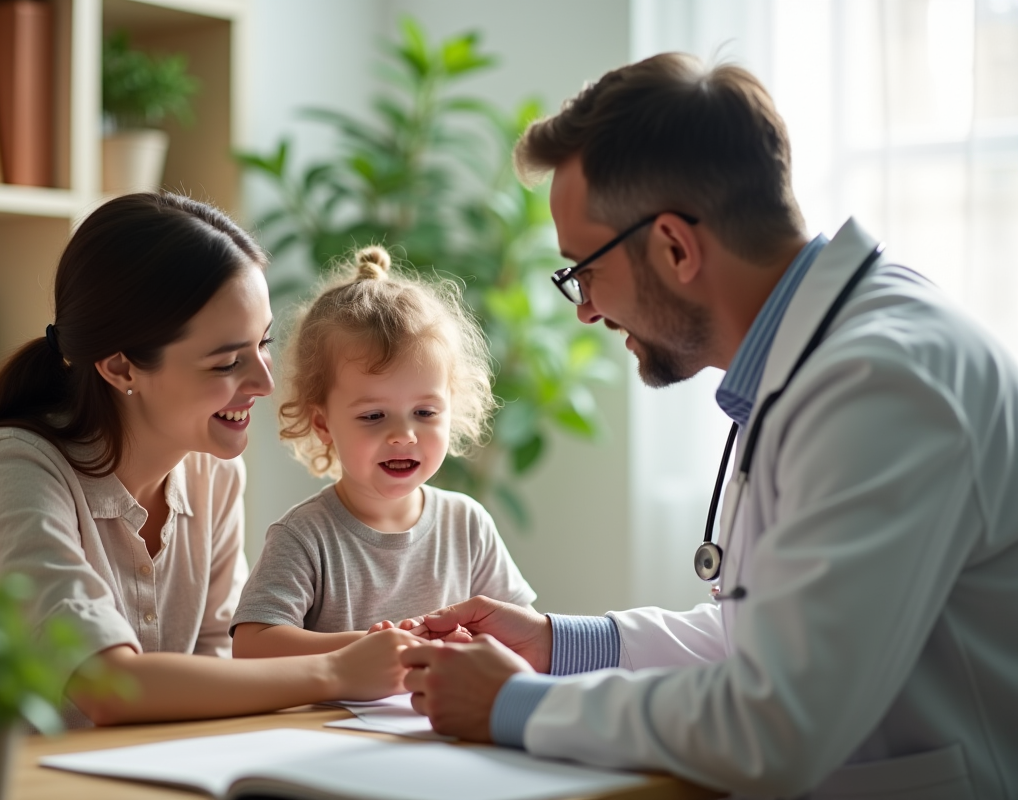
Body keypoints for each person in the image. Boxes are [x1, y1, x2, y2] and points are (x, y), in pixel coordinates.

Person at [399, 53, 1018, 798]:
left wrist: (514, 705)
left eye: (583, 270)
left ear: (675, 247)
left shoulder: (884, 382)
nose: (586, 309)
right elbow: (763, 638)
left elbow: (778, 721)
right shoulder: (817, 362)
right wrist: (557, 644)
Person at [0, 193, 417, 727]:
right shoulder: (13, 469)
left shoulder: (213, 471)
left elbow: (219, 661)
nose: (264, 381)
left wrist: (404, 645)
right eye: (227, 362)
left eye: (263, 343)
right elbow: (106, 686)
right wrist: (336, 671)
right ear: (121, 368)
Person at [230, 246, 535, 658]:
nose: (403, 436)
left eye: (424, 412)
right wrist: (369, 650)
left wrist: (474, 646)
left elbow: (524, 638)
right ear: (323, 424)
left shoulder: (468, 526)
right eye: (374, 416)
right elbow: (252, 646)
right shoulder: (304, 537)